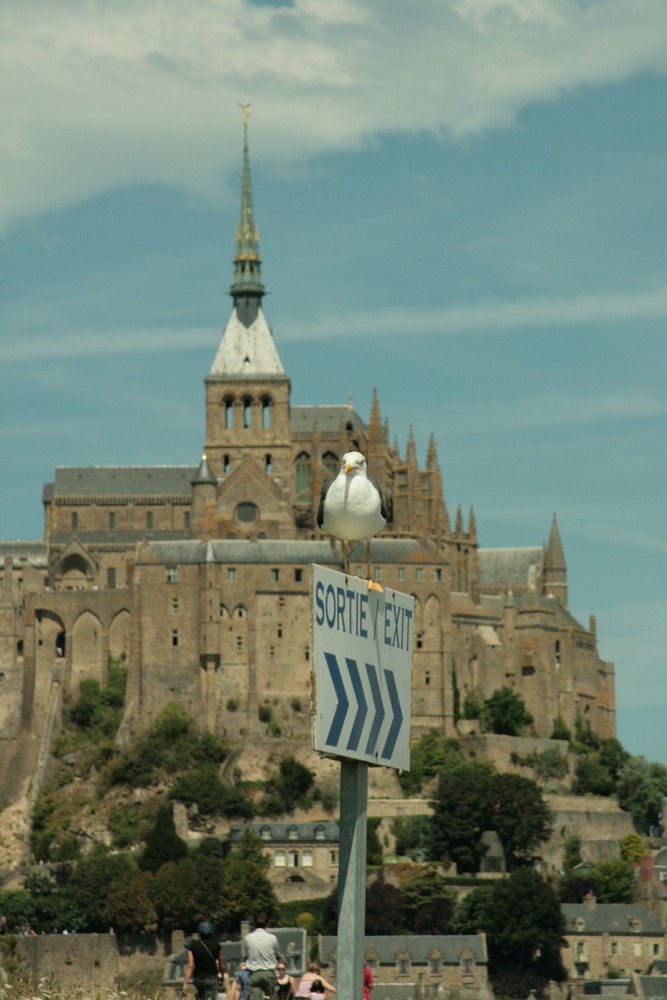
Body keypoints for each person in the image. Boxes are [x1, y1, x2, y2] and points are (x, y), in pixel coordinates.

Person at [182, 921, 225, 1000]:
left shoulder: (193, 946)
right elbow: (221, 965)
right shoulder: (217, 946)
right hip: (212, 978)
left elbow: (190, 966)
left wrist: (185, 983)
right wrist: (222, 977)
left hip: (198, 979)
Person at [244, 913, 280, 1000]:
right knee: (273, 997)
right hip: (269, 973)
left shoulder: (248, 938)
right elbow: (277, 953)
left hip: (254, 974)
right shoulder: (272, 938)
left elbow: (247, 954)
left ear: (254, 924)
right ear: (266, 924)